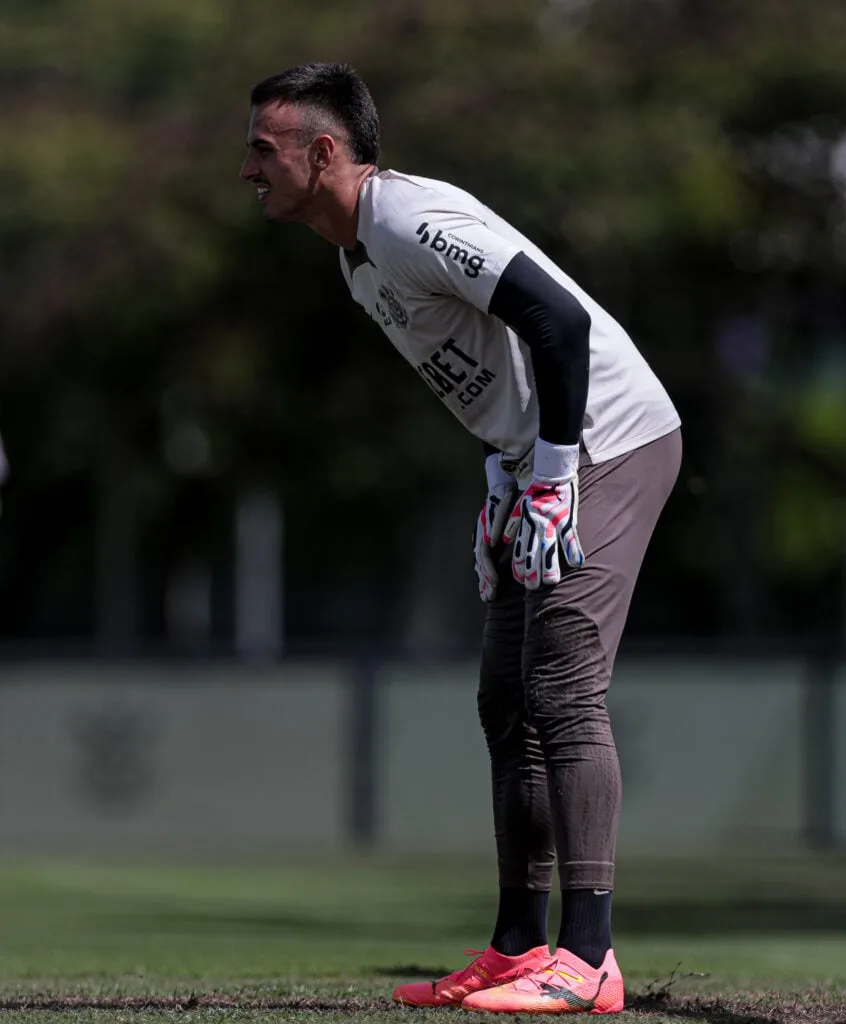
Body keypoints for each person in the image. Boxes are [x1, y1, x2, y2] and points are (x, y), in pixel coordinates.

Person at [241, 62, 681, 1015]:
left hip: (612, 438)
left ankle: (591, 957)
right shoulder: (355, 259)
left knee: (562, 684)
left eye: (262, 149)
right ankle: (519, 946)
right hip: (539, 457)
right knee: (504, 699)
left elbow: (557, 321)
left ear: (324, 153)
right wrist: (504, 473)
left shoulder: (404, 219)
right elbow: (490, 371)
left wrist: (556, 474)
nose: (249, 170)